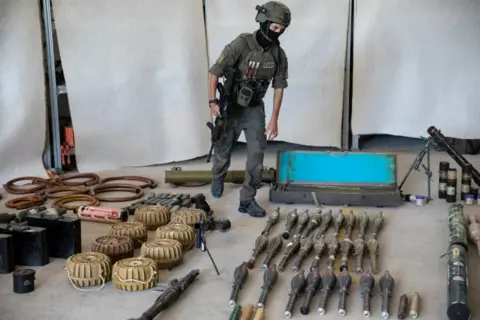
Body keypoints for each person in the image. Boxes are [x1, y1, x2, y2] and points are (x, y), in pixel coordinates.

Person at [208, 1, 291, 218]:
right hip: (231, 106)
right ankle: (218, 177)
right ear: (263, 22)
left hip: (254, 109)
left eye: (281, 30)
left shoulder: (279, 55)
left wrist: (274, 118)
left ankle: (247, 199)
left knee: (256, 153)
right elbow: (214, 71)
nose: (277, 33)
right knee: (223, 148)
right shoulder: (241, 44)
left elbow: (279, 87)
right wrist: (212, 102)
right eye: (274, 28)